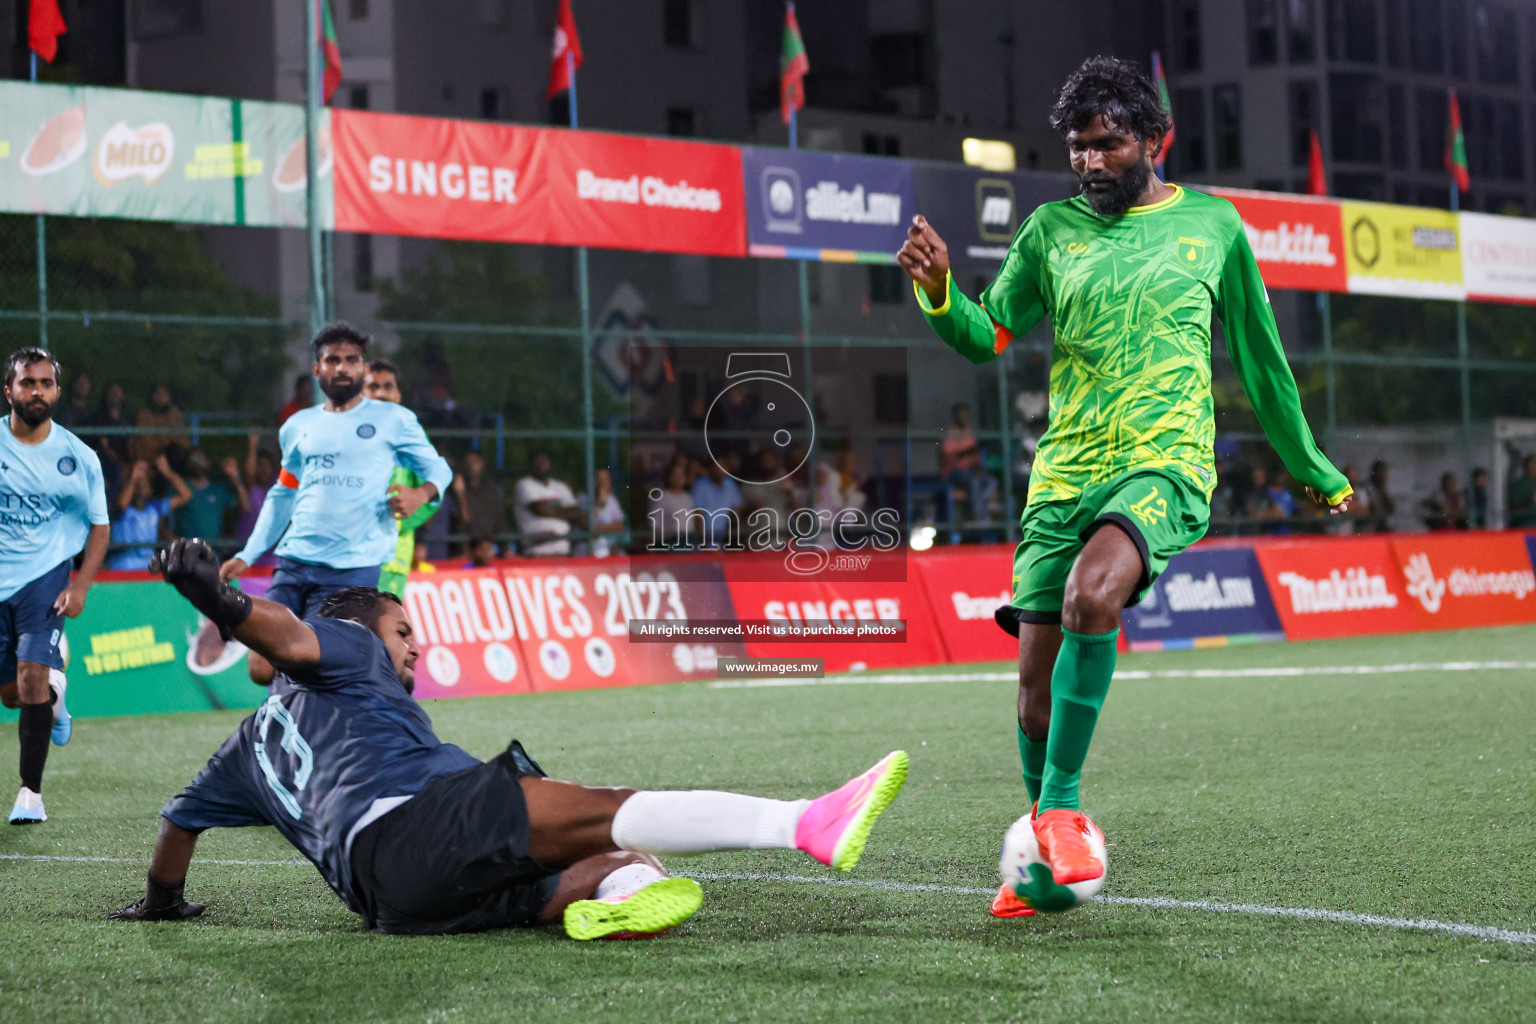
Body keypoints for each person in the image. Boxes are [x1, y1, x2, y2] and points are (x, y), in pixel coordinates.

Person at [898, 56, 1351, 918]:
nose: (1091, 163)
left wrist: (1313, 469)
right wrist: (937, 292)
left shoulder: (1213, 227)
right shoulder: (1049, 232)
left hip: (1163, 461)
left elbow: (1261, 360)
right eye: (1078, 148)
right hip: (1064, 472)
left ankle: (1063, 810)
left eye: (1109, 145)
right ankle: (1041, 854)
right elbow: (988, 336)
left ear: (1154, 140)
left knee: (1091, 597)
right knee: (1033, 686)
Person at [110, 539, 909, 938]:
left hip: (388, 904)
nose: (414, 648)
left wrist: (162, 905)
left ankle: (616, 892)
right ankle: (802, 822)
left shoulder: (245, 746)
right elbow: (282, 633)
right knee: (603, 808)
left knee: (591, 864)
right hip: (421, 821)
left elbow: (178, 822)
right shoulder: (343, 645)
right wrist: (220, 598)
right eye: (403, 631)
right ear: (358, 630)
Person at [220, 324, 452, 685]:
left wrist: (421, 494)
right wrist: (248, 554)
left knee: (318, 669)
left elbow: (439, 468)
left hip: (352, 572)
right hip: (295, 564)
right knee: (260, 668)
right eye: (332, 360)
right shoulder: (297, 425)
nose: (342, 368)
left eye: (351, 360)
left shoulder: (393, 419)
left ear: (363, 368)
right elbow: (283, 493)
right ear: (317, 370)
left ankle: (325, 733)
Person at [0, 348, 111, 824]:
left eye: (46, 383)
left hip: (45, 579)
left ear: (57, 392)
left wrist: (82, 585)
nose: (37, 391)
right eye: (28, 383)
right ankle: (56, 692)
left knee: (29, 680)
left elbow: (100, 526)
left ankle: (30, 793)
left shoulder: (78, 456)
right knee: (12, 694)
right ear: (10, 391)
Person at [365, 359, 442, 597]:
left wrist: (400, 518)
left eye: (388, 387)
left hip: (391, 561)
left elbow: (435, 491)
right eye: (373, 386)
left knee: (384, 630)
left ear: (398, 394)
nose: (381, 393)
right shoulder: (341, 433)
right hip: (345, 558)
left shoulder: (411, 437)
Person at [108, 456, 193, 571]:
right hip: (122, 565)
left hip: (147, 565)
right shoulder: (122, 507)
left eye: (145, 483)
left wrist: (167, 472)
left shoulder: (154, 508)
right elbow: (121, 504)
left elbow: (186, 495)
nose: (141, 487)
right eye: (137, 486)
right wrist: (133, 478)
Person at [173, 449, 248, 553]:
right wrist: (172, 540)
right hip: (187, 556)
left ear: (208, 462)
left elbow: (246, 507)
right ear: (187, 464)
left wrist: (235, 479)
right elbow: (159, 514)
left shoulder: (218, 490)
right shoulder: (180, 489)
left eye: (201, 459)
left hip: (213, 555)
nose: (197, 463)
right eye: (193, 459)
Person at [513, 451, 583, 556]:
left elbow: (576, 512)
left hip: (562, 553)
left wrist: (550, 510)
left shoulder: (560, 486)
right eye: (538, 461)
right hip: (536, 553)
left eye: (545, 461)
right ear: (531, 464)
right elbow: (540, 509)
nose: (542, 464)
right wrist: (565, 512)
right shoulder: (524, 484)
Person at [940, 404, 997, 524]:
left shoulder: (969, 432)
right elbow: (950, 454)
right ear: (955, 417)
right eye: (960, 415)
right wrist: (968, 451)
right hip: (954, 472)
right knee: (974, 482)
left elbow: (975, 456)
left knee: (991, 482)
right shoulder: (951, 433)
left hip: (970, 471)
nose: (963, 418)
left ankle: (980, 513)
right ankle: (976, 516)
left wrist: (978, 469)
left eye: (965, 415)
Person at [450, 450, 507, 558]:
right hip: (465, 550)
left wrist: (505, 549)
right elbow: (463, 520)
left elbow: (500, 521)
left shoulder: (490, 491)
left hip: (490, 548)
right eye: (468, 462)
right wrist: (460, 495)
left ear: (483, 463)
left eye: (475, 461)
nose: (471, 465)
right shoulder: (455, 491)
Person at [233, 433, 280, 566]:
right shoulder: (252, 489)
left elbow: (289, 470)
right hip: (245, 550)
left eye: (268, 466)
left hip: (268, 552)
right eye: (261, 465)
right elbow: (249, 474)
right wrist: (253, 444)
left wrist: (282, 444)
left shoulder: (275, 489)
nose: (265, 469)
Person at [83, 382, 131, 495]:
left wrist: (130, 462)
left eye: (118, 392)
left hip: (125, 458)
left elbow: (132, 441)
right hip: (105, 459)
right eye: (113, 392)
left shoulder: (128, 416)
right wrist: (122, 463)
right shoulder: (100, 415)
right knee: (116, 472)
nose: (115, 395)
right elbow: (103, 446)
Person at [690, 450, 744, 548]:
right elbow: (698, 515)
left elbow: (736, 510)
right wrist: (704, 543)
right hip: (703, 543)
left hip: (722, 542)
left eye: (724, 465)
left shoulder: (730, 484)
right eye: (718, 466)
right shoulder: (700, 485)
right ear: (710, 468)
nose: (722, 469)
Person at [129, 384, 189, 465]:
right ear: (153, 396)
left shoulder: (175, 413)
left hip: (175, 454)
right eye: (158, 393)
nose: (161, 397)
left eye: (164, 393)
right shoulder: (144, 414)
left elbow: (182, 437)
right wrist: (160, 449)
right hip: (152, 457)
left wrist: (174, 446)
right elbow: (145, 439)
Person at [648, 458, 696, 549]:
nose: (679, 478)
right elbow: (654, 524)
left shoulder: (689, 498)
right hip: (670, 543)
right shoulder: (662, 498)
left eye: (681, 475)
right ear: (669, 477)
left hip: (688, 543)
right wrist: (653, 548)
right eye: (676, 475)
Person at [589, 467, 625, 557]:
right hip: (590, 551)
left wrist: (601, 528)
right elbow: (590, 527)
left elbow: (620, 525)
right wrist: (598, 504)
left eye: (606, 480)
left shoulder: (612, 501)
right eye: (600, 480)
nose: (603, 484)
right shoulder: (584, 499)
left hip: (610, 549)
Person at [1506, 456, 1536, 529]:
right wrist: (1530, 500)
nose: (1533, 469)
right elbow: (1513, 506)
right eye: (1530, 467)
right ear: (1526, 468)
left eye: (1534, 467)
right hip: (1523, 524)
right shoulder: (1518, 485)